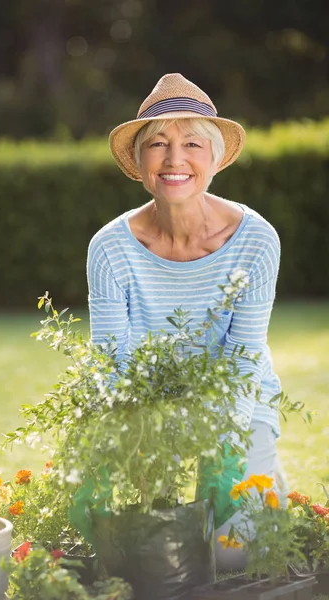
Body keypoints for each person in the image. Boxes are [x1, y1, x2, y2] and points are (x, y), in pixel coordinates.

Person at [76, 73, 289, 570]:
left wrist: (224, 442)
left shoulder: (256, 240)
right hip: (149, 404)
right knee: (129, 548)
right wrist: (119, 440)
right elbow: (111, 360)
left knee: (233, 554)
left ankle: (267, 491)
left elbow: (246, 354)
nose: (175, 159)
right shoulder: (110, 248)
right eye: (158, 144)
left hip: (237, 402)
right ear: (140, 163)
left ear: (215, 158)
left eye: (192, 143)